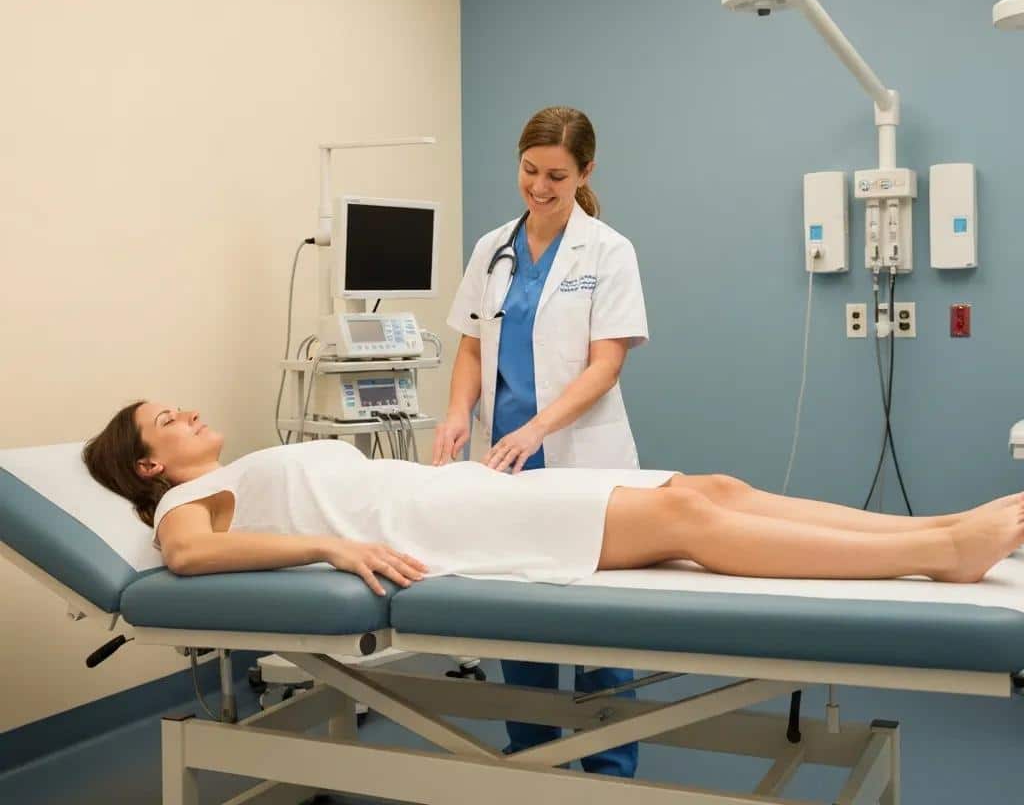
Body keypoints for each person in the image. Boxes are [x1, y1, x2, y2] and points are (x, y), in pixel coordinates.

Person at [85, 401, 1024, 592]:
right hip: (440, 524)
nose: (189, 412)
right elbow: (190, 557)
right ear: (149, 467)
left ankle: (937, 525)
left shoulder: (238, 471)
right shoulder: (183, 505)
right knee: (686, 522)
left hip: (455, 492)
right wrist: (331, 548)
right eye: (168, 419)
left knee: (711, 487)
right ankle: (941, 556)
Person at [434, 105, 650, 775]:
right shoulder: (492, 249)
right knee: (520, 622)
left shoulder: (608, 251)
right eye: (530, 170)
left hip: (582, 461)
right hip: (507, 464)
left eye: (557, 175)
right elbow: (473, 348)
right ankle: (531, 763)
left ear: (585, 172)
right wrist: (457, 412)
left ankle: (609, 775)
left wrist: (536, 426)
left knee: (598, 632)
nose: (539, 186)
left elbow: (605, 366)